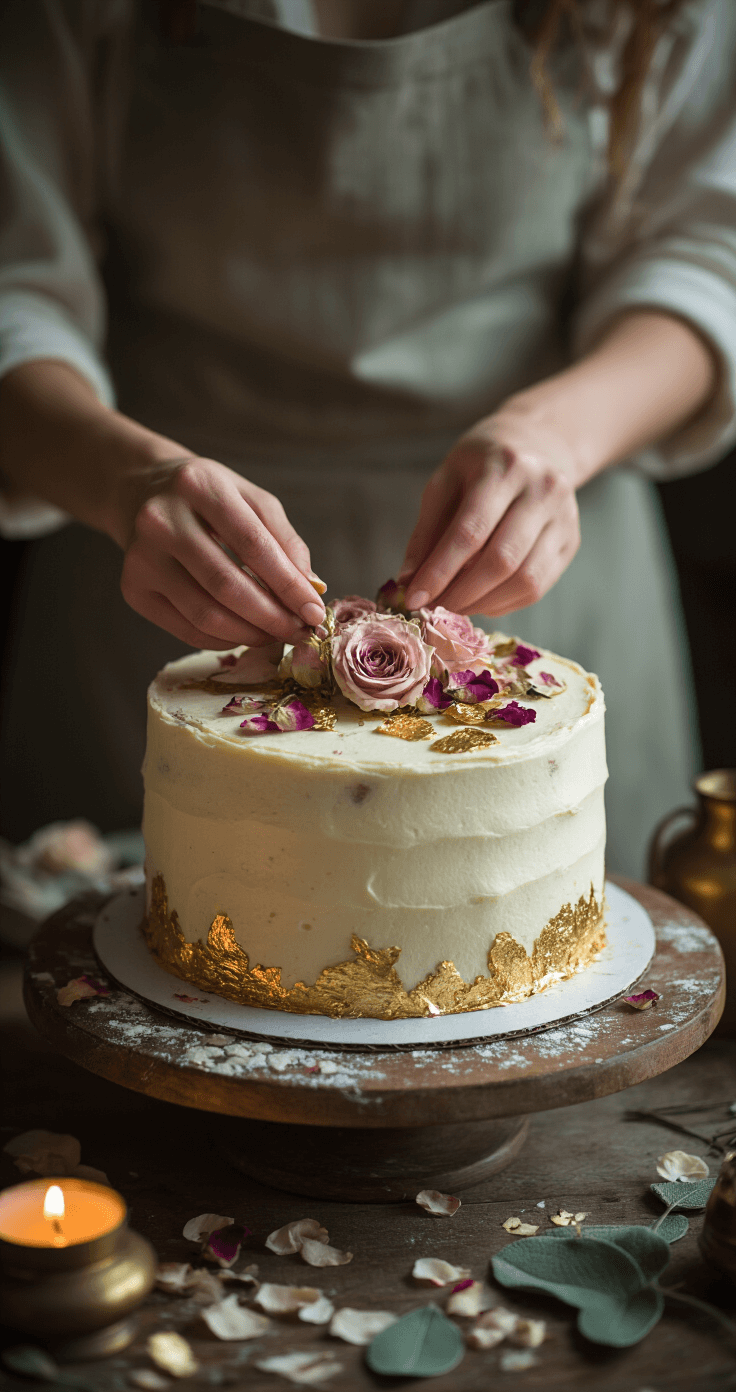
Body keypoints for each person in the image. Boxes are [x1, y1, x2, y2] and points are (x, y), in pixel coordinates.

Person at [1, 0, 735, 875]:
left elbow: (706, 247)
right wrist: (125, 478)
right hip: (154, 567)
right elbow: (15, 286)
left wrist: (554, 436)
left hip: (554, 550)